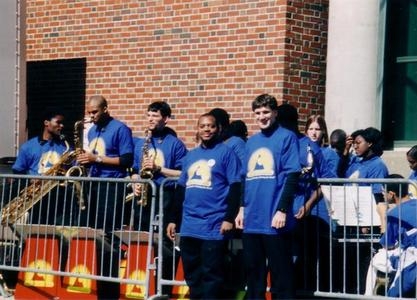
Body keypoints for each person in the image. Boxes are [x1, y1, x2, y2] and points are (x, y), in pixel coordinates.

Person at [166, 112, 242, 299]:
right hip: (190, 225)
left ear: (218, 129)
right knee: (192, 275)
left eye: (211, 126)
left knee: (212, 274)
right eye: (203, 126)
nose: (207, 129)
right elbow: (181, 189)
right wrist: (173, 220)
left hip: (214, 224)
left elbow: (236, 187)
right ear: (198, 129)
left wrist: (228, 218)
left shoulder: (226, 153)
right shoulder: (191, 156)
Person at [235, 94, 301, 299]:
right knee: (254, 275)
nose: (262, 117)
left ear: (275, 113)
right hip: (252, 218)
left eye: (265, 112)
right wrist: (241, 208)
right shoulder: (251, 142)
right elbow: (245, 178)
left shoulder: (286, 137)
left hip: (274, 218)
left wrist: (282, 209)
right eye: (257, 113)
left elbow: (292, 175)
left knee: (281, 275)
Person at [76, 95, 134, 300]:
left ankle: (110, 286)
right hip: (93, 185)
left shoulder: (120, 128)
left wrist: (96, 158)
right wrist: (85, 161)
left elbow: (127, 159)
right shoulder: (92, 130)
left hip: (111, 186)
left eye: (95, 112)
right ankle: (96, 283)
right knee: (94, 234)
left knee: (110, 235)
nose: (91, 116)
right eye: (89, 112)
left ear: (105, 109)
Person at [131, 101, 187, 297]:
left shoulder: (176, 144)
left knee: (164, 245)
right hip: (144, 199)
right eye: (148, 115)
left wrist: (159, 169)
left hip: (166, 198)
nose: (150, 119)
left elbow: (182, 173)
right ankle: (142, 287)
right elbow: (132, 170)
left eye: (155, 116)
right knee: (142, 241)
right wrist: (135, 181)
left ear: (165, 118)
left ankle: (163, 290)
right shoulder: (141, 142)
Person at [278, 105, 333, 292]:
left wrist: (309, 204)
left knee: (303, 261)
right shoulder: (276, 143)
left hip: (302, 214)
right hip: (277, 212)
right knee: (280, 261)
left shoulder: (310, 147)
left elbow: (325, 181)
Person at [11, 109, 75, 225]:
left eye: (62, 123)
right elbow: (17, 170)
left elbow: (73, 168)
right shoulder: (28, 146)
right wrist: (31, 179)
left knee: (58, 231)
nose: (62, 126)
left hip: (59, 195)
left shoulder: (65, 147)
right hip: (37, 196)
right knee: (35, 229)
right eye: (58, 122)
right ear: (46, 123)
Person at [365, 175, 417, 297]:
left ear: (392, 194)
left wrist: (383, 216)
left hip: (411, 256)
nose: (383, 194)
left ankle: (368, 296)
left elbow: (387, 244)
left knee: (376, 260)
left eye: (384, 191)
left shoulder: (394, 213)